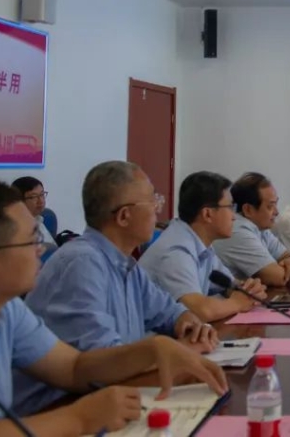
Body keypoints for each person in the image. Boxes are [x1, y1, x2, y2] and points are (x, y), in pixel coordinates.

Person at [0, 179, 226, 436]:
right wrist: (79, 418)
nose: (41, 249)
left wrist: (152, 349)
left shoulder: (6, 308)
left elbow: (73, 368)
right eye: (32, 240)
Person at [17, 162, 218, 415]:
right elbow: (104, 362)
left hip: (107, 398)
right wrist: (177, 350)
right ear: (124, 216)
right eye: (152, 201)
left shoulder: (125, 263)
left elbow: (170, 312)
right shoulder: (83, 264)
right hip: (58, 411)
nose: (158, 210)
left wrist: (190, 326)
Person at [140, 171, 268, 322]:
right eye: (230, 207)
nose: (234, 216)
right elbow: (199, 311)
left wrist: (249, 290)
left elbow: (228, 285)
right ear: (207, 214)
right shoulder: (176, 251)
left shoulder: (201, 244)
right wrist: (237, 303)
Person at [213, 172, 290, 287]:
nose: (277, 212)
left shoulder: (261, 228)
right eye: (270, 206)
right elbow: (279, 278)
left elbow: (287, 255)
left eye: (276, 204)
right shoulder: (237, 231)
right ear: (248, 210)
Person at [11, 177, 56, 253]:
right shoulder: (15, 229)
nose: (41, 201)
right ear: (19, 201)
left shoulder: (38, 219)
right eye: (33, 197)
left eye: (42, 194)